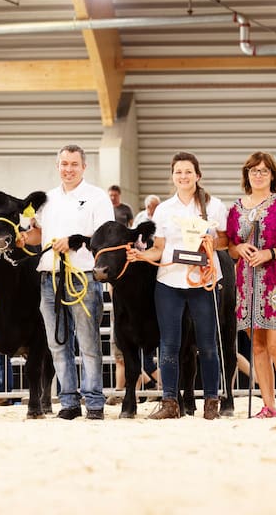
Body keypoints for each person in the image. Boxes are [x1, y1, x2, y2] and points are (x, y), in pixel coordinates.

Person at [128, 151, 228, 420]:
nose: (183, 176)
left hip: (204, 282)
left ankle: (211, 402)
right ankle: (170, 402)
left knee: (207, 345)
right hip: (170, 281)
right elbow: (159, 248)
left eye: (188, 171)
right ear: (172, 176)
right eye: (178, 172)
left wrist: (210, 241)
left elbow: (226, 241)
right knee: (169, 343)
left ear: (198, 175)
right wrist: (141, 255)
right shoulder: (163, 209)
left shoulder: (213, 205)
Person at [21, 144, 113, 420]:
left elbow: (105, 238)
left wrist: (73, 242)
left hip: (83, 276)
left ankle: (94, 402)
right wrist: (25, 237)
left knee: (88, 342)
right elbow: (39, 235)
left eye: (74, 164)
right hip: (50, 276)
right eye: (64, 164)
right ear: (57, 166)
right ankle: (69, 401)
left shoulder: (97, 197)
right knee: (57, 343)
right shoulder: (47, 199)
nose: (68, 169)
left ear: (84, 167)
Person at [226, 151, 276, 419]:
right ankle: (268, 404)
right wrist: (239, 247)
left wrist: (269, 253)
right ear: (246, 175)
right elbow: (231, 247)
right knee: (257, 346)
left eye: (264, 170)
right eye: (253, 170)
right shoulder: (235, 208)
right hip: (246, 284)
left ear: (272, 175)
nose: (258, 175)